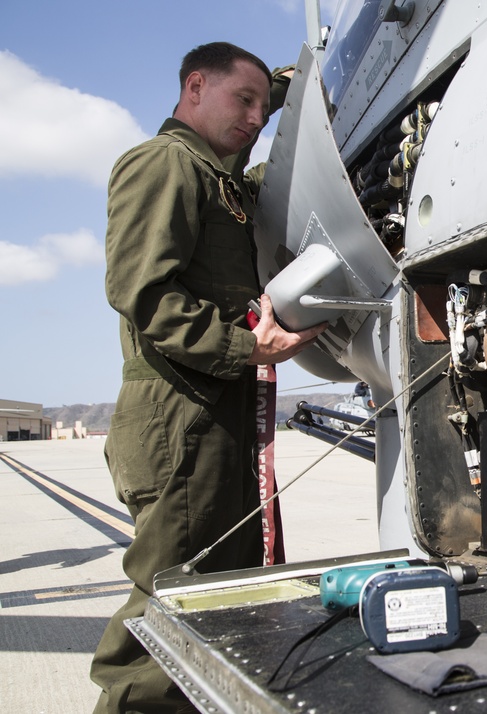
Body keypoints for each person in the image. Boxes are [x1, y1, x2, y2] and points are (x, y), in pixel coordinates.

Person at [90, 42, 326, 713]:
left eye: (263, 105)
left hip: (214, 414)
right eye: (240, 101)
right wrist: (246, 349)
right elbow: (143, 293)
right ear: (195, 87)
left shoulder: (225, 182)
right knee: (174, 615)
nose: (255, 118)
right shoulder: (165, 164)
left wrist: (302, 77)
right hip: (182, 417)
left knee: (229, 605)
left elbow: (266, 108)